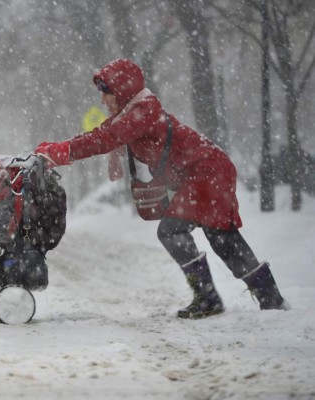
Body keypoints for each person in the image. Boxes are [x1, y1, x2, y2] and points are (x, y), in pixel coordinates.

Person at [35, 58, 288, 319]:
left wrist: (61, 152)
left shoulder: (143, 109)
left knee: (177, 232)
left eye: (106, 93)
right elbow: (105, 133)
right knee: (222, 238)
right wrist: (58, 148)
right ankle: (266, 297)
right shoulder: (134, 111)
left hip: (207, 171)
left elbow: (106, 138)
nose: (103, 100)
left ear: (122, 90)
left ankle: (213, 297)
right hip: (204, 172)